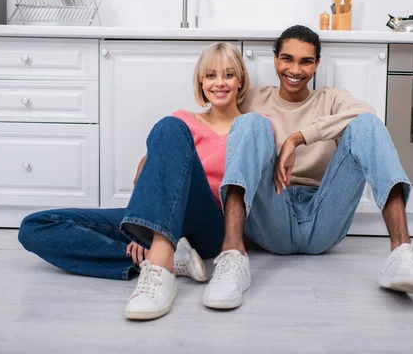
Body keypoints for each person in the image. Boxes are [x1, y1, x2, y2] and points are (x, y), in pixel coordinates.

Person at [18, 42, 253, 320]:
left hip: (207, 224)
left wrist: (151, 229)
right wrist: (146, 225)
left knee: (170, 127)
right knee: (34, 226)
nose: (219, 83)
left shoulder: (250, 128)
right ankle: (168, 258)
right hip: (161, 215)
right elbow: (145, 170)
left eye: (228, 74)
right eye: (211, 75)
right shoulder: (182, 121)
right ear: (201, 82)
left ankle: (161, 256)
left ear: (241, 81)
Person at [205, 25, 413, 310]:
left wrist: (297, 139)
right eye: (287, 59)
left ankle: (401, 253)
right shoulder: (252, 99)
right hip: (273, 211)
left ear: (317, 65)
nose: (295, 70)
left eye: (306, 61)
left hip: (324, 215)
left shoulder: (331, 99)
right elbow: (213, 127)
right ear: (275, 60)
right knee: (250, 123)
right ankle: (232, 256)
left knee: (367, 124)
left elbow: (367, 114)